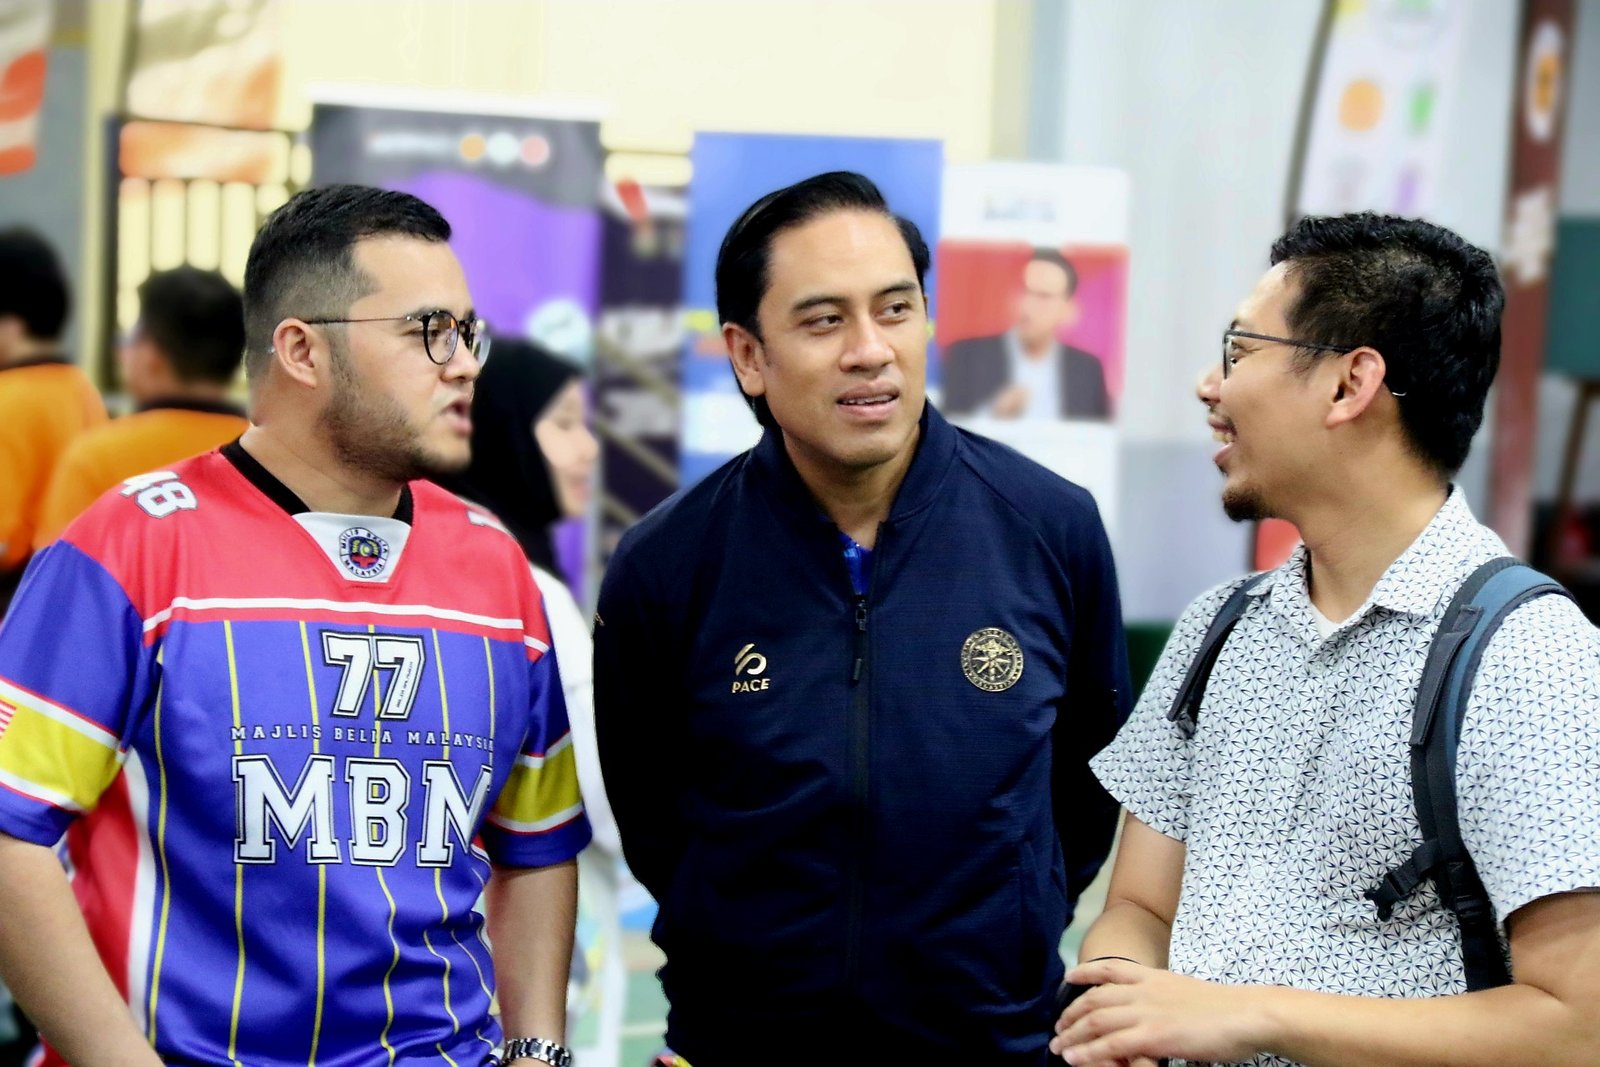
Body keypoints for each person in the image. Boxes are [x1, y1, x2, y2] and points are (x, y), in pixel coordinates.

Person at [0, 184, 589, 1067]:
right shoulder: (128, 547)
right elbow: (10, 832)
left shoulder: (495, 566)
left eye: (470, 333)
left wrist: (537, 1052)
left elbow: (535, 845)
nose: (465, 363)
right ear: (302, 349)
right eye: (429, 331)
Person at [593, 171, 1132, 1065]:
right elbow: (653, 815)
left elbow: (1086, 784)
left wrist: (1017, 914)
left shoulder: (1051, 528)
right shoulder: (667, 562)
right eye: (823, 320)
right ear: (748, 355)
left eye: (895, 309)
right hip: (742, 1046)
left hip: (988, 1043)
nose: (871, 350)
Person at [1052, 213, 1600, 1067]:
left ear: (1350, 384)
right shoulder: (1219, 628)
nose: (1210, 385)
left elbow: (1578, 1026)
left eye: (1240, 350)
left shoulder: (1528, 656)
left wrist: (1253, 1015)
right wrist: (1125, 1004)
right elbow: (1140, 907)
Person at [436, 337, 629, 1067]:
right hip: (532, 987)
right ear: (504, 431)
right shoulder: (529, 595)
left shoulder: (442, 577)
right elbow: (605, 801)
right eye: (566, 422)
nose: (587, 449)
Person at [32, 265, 250, 548]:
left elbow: (59, 570)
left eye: (130, 337)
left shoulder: (96, 460)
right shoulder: (263, 454)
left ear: (151, 355)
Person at [0, 228, 106, 610]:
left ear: (11, 323)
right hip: (77, 597)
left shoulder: (8, 399)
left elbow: (4, 542)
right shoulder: (81, 388)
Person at [941, 248, 1110, 421]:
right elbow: (949, 428)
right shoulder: (968, 357)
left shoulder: (1088, 370)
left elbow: (1100, 432)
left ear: (1067, 309)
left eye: (1043, 297)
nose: (1028, 306)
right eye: (1024, 291)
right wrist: (993, 414)